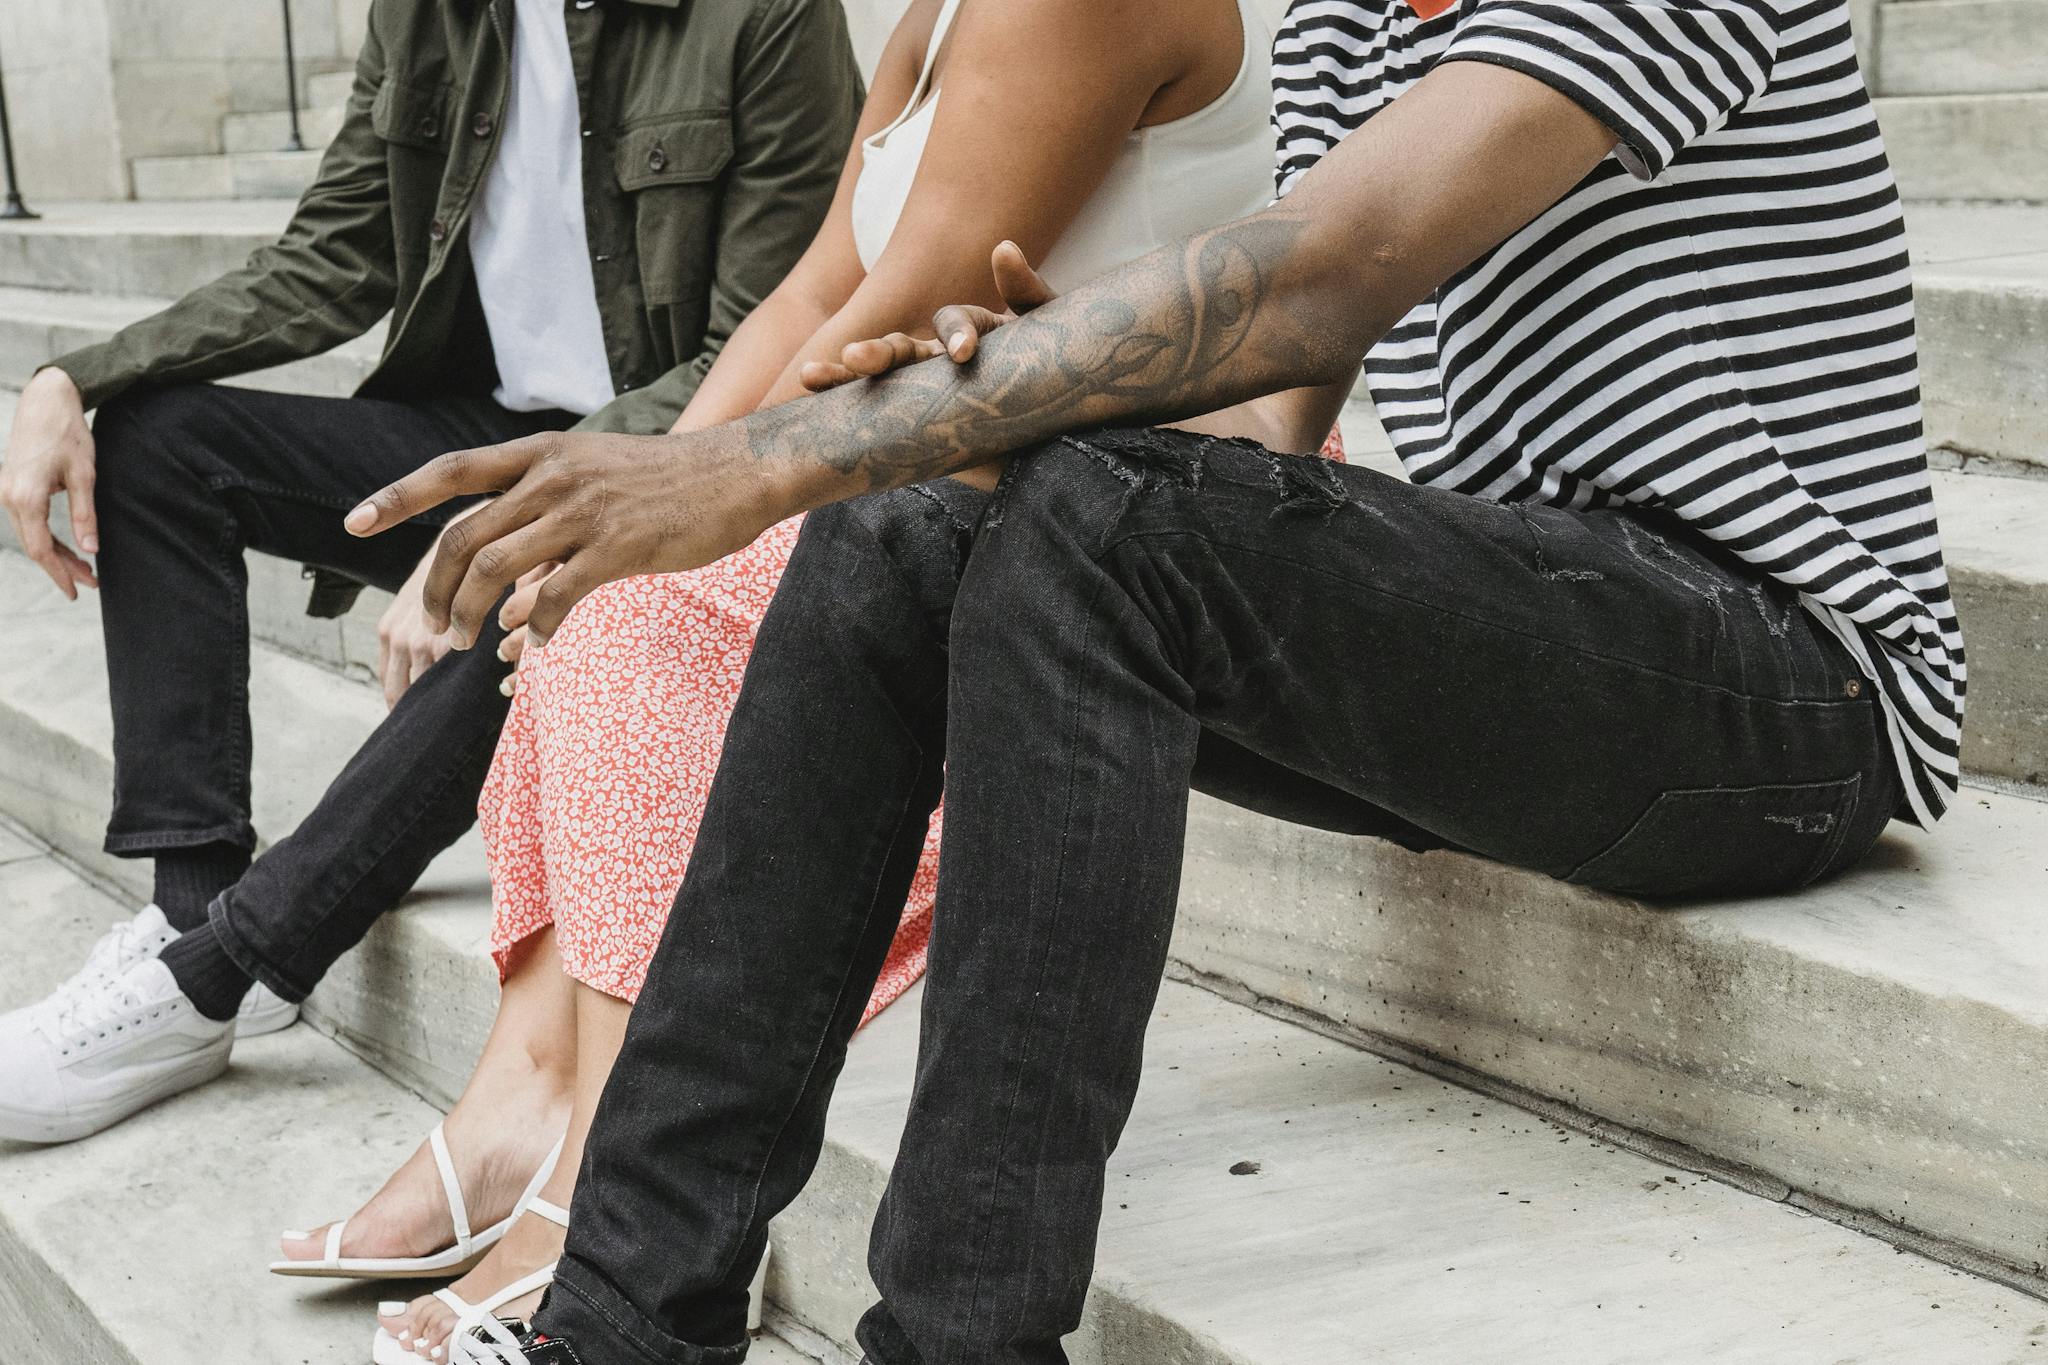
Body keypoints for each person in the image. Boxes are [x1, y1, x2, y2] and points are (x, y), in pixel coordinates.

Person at [351, 0, 1964, 1359]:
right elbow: (1282, 413)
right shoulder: (1347, 15)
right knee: (929, 505)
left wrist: (766, 456)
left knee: (975, 480)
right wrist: (1060, 415)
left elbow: (1324, 268)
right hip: (1526, 645)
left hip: (1788, 696)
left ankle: (960, 1338)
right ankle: (625, 1316)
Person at [268, 0, 1284, 1357]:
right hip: (923, 457)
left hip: (1077, 501)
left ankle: (592, 1175)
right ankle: (518, 1105)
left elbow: (913, 290)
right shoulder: (934, 13)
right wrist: (646, 484)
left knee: (653, 621)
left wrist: (692, 502)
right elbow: (818, 286)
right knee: (618, 592)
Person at [0, 0, 860, 1147]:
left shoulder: (759, 13)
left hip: (681, 459)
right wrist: (75, 376)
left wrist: (512, 517)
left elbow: (759, 343)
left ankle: (228, 969)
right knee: (160, 443)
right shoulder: (430, 11)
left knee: (541, 575)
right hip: (483, 435)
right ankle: (188, 907)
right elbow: (329, 259)